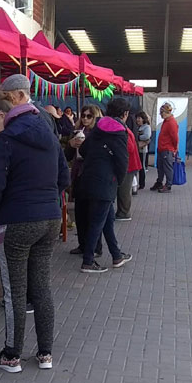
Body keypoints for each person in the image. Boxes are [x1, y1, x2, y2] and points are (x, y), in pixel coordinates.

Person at [0, 87, 69, 373]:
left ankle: (11, 355)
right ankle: (45, 354)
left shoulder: (6, 139)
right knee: (41, 287)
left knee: (14, 291)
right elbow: (64, 176)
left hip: (17, 219)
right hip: (50, 217)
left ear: (2, 114)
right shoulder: (49, 134)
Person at [78, 98, 134, 273]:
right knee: (97, 222)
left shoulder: (98, 126)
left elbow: (84, 149)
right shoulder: (120, 131)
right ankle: (88, 261)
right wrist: (118, 179)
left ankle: (116, 255)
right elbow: (122, 160)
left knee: (107, 220)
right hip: (105, 181)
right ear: (125, 114)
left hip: (88, 178)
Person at [66, 104, 104, 257]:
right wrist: (70, 144)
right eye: (83, 115)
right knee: (80, 213)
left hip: (92, 175)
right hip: (78, 175)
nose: (85, 119)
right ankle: (82, 245)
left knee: (92, 214)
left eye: (89, 116)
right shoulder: (76, 132)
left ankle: (95, 247)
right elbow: (67, 156)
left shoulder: (97, 133)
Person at [114, 103, 142, 220]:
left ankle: (124, 212)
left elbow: (129, 147)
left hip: (129, 164)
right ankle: (123, 211)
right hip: (130, 163)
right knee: (124, 189)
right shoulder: (125, 126)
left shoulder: (122, 128)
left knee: (124, 190)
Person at [151, 102, 179, 192]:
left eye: (162, 113)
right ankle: (159, 182)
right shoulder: (166, 121)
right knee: (161, 167)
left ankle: (168, 185)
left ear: (166, 112)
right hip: (162, 148)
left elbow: (175, 137)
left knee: (167, 167)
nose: (161, 115)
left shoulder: (171, 122)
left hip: (167, 149)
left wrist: (174, 148)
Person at [135, 112, 152, 190]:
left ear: (143, 119)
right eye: (137, 118)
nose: (138, 120)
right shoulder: (137, 127)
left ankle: (142, 183)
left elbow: (147, 136)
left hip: (142, 150)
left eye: (139, 118)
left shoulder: (146, 127)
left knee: (142, 166)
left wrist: (137, 137)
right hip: (136, 149)